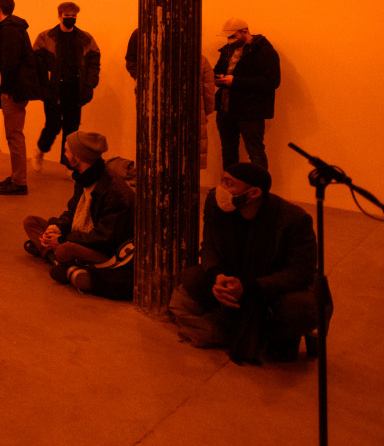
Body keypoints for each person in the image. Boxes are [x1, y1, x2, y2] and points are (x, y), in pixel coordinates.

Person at [170, 163, 327, 364]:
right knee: (185, 289)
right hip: (231, 276)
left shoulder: (294, 219)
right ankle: (252, 333)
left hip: (269, 287)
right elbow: (208, 247)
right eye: (221, 181)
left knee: (303, 309)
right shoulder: (214, 203)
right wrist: (217, 276)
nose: (221, 189)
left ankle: (243, 332)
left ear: (253, 193)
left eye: (229, 183)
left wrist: (248, 287)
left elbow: (299, 274)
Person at [23, 131, 133, 291]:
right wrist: (57, 228)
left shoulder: (114, 192)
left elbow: (104, 238)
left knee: (64, 250)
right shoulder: (83, 177)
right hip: (83, 236)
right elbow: (73, 211)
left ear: (78, 156)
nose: (64, 153)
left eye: (67, 150)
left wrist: (61, 240)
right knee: (31, 222)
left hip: (105, 250)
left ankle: (56, 258)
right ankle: (62, 262)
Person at [126, 28, 216, 169]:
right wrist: (206, 112)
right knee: (185, 152)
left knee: (157, 147)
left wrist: (140, 78)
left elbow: (130, 59)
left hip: (155, 107)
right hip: (189, 112)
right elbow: (209, 89)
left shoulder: (148, 47)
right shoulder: (198, 59)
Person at [32, 2, 100, 171]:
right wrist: (42, 87)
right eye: (67, 16)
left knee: (72, 130)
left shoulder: (85, 39)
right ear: (59, 15)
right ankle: (40, 151)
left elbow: (94, 62)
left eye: (73, 16)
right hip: (53, 89)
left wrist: (90, 84)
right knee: (53, 125)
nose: (70, 19)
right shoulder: (45, 37)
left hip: (75, 89)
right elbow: (35, 64)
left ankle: (69, 164)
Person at [213, 18, 281, 169]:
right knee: (228, 152)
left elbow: (272, 82)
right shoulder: (227, 50)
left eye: (232, 36)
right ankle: (229, 188)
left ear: (244, 32)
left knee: (255, 152)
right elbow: (218, 70)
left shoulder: (265, 51)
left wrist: (235, 81)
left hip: (251, 111)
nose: (229, 40)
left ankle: (259, 190)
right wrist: (217, 78)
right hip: (226, 109)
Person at [0, 0, 40, 195]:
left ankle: (19, 182)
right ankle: (17, 177)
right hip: (17, 89)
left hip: (14, 91)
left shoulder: (9, 30)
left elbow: (9, 62)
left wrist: (5, 90)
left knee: (14, 135)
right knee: (13, 135)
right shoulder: (13, 28)